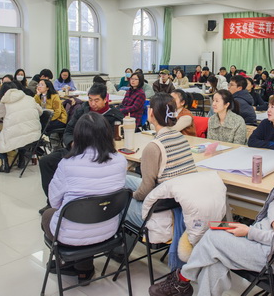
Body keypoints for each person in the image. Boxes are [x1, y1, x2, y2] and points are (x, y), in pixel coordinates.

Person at [149, 127, 274, 296]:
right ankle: (182, 284)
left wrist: (249, 231)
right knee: (214, 254)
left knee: (212, 238)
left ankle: (181, 280)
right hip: (264, 233)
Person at [42, 112, 128, 283]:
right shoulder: (121, 161)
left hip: (72, 234)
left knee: (48, 215)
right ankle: (84, 269)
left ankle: (72, 263)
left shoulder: (68, 164)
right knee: (89, 213)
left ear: (78, 136)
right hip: (109, 229)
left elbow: (54, 201)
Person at [38, 84, 124, 213]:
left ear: (105, 99)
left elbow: (111, 140)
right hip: (76, 149)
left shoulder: (114, 117)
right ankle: (52, 202)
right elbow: (68, 130)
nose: (93, 104)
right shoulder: (82, 110)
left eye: (96, 100)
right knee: (46, 161)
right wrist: (72, 143)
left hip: (98, 153)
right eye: (90, 99)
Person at [125, 93, 197, 226]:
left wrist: (132, 195)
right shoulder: (181, 137)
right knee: (125, 179)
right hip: (178, 203)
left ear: (150, 112)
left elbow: (145, 190)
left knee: (118, 202)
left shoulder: (153, 147)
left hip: (157, 212)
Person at [0, 82, 43, 173]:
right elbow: (40, 111)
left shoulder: (6, 101)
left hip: (21, 137)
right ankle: (21, 159)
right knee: (22, 133)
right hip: (35, 136)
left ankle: (4, 164)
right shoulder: (29, 98)